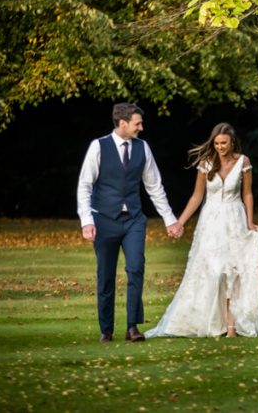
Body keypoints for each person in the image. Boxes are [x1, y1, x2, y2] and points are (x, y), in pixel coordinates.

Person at [146, 122, 258, 338]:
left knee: (234, 271)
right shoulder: (206, 163)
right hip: (211, 222)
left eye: (224, 143)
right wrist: (180, 222)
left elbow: (247, 194)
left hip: (235, 219)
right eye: (216, 143)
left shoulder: (243, 162)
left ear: (232, 141)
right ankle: (209, 319)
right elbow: (197, 196)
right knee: (214, 270)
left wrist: (250, 221)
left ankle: (232, 327)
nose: (220, 147)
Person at [77, 102, 182, 343]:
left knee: (136, 268)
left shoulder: (143, 148)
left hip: (134, 219)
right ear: (122, 123)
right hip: (104, 220)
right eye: (137, 123)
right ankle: (106, 329)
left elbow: (154, 187)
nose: (141, 128)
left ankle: (132, 326)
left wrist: (170, 219)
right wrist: (87, 220)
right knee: (106, 275)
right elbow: (85, 184)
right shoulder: (99, 146)